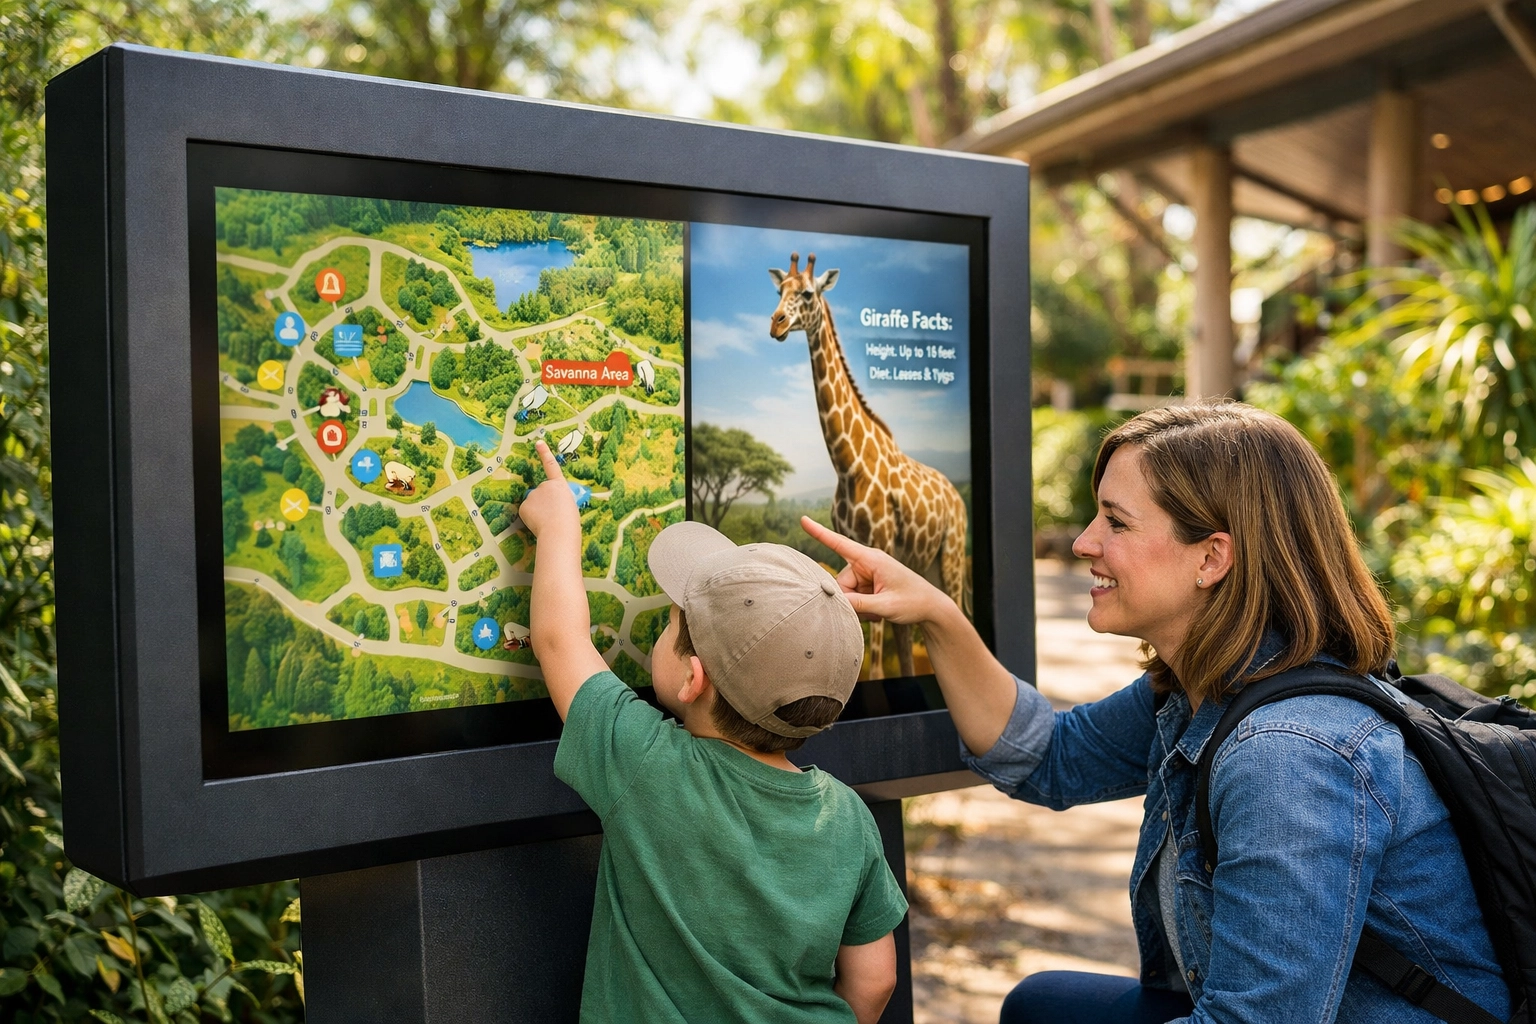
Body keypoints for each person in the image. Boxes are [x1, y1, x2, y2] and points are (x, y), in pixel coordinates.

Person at [801, 402, 1509, 1024]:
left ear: (1212, 558)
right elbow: (1050, 757)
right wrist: (937, 613)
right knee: (1040, 1004)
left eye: (1115, 521)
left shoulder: (1287, 754)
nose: (1083, 542)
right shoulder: (1210, 687)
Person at [519, 439, 909, 1024]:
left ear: (692, 679)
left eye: (671, 623)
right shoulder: (848, 817)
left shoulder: (647, 765)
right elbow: (876, 981)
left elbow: (559, 642)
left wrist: (558, 525)